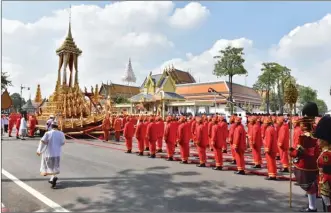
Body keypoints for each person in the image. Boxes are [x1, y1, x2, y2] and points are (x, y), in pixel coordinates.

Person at [289, 102, 320, 212]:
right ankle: (312, 205)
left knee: (309, 185)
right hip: (315, 160)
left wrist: (291, 152)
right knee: (312, 184)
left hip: (304, 162)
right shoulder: (316, 128)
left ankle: (312, 208)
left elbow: (298, 149)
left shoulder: (301, 130)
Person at [36, 121, 65, 189]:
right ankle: (53, 178)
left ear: (51, 126)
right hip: (57, 153)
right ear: (57, 126)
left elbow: (42, 142)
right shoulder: (61, 133)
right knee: (54, 167)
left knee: (48, 167)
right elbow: (63, 143)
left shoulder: (48, 133)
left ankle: (53, 178)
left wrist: (39, 150)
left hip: (48, 153)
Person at [314, 116, 331, 212]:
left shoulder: (327, 154)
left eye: (319, 139)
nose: (317, 141)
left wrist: (324, 185)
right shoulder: (326, 151)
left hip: (327, 183)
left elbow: (327, 172)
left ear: (325, 140)